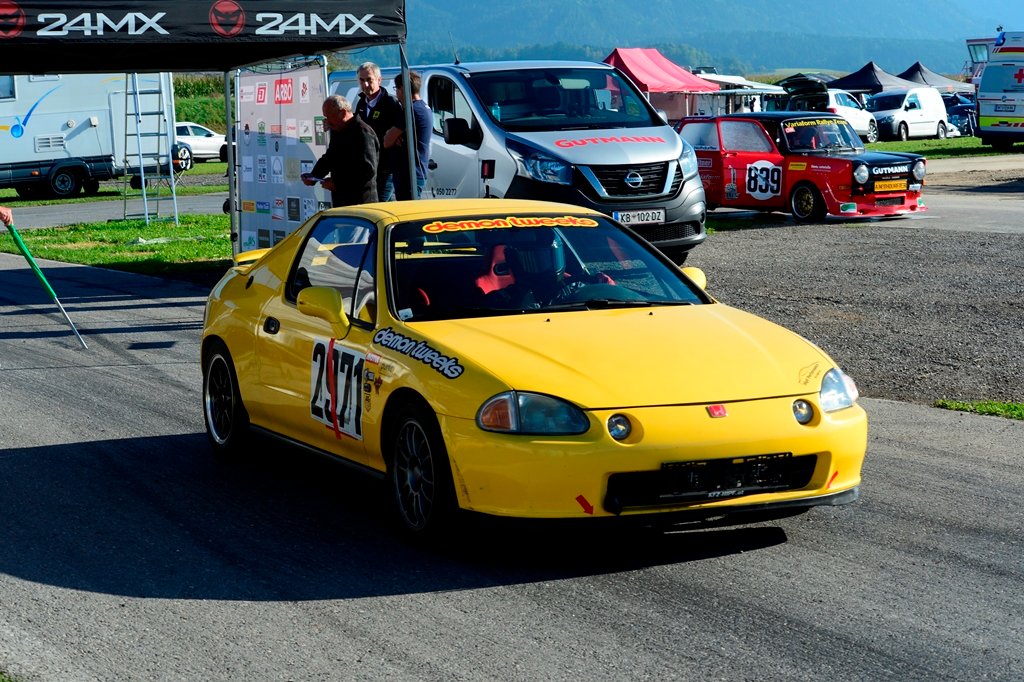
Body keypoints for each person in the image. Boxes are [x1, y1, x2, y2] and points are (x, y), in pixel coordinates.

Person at [303, 95, 379, 207]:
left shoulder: (363, 132)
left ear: (343, 113)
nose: (327, 122)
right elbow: (330, 157)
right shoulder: (338, 130)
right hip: (341, 201)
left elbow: (367, 170)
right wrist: (313, 176)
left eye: (329, 117)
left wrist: (337, 184)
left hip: (362, 203)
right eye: (325, 117)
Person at [354, 62, 403, 202]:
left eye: (369, 80)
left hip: (386, 169)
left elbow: (399, 134)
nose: (365, 84)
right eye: (362, 80)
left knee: (377, 205)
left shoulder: (391, 103)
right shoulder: (361, 103)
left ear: (379, 80)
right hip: (369, 168)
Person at [384, 70, 432, 200]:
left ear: (403, 89)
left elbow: (387, 141)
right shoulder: (424, 107)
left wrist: (392, 135)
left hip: (409, 174)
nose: (396, 93)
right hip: (415, 171)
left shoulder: (410, 110)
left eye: (396, 89)